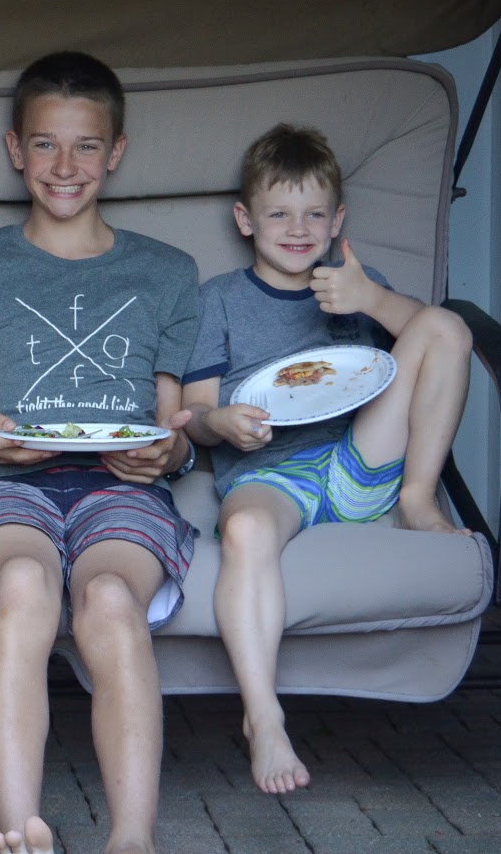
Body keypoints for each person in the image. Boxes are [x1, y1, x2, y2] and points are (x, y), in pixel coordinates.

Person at [0, 52, 200, 854]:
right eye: (45, 144)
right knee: (21, 582)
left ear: (116, 152)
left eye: (86, 146)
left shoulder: (167, 272)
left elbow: (175, 426)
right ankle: (21, 831)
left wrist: (167, 456)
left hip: (122, 486)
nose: (65, 166)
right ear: (16, 149)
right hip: (4, 483)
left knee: (108, 599)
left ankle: (132, 840)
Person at [179, 122, 474, 796]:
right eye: (278, 214)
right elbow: (193, 415)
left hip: (358, 458)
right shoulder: (217, 300)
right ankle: (264, 716)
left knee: (446, 324)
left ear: (338, 220)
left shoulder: (357, 286)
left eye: (315, 214)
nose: (297, 229)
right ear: (245, 220)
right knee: (245, 530)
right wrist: (220, 422)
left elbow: (439, 344)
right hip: (268, 475)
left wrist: (372, 301)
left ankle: (417, 499)